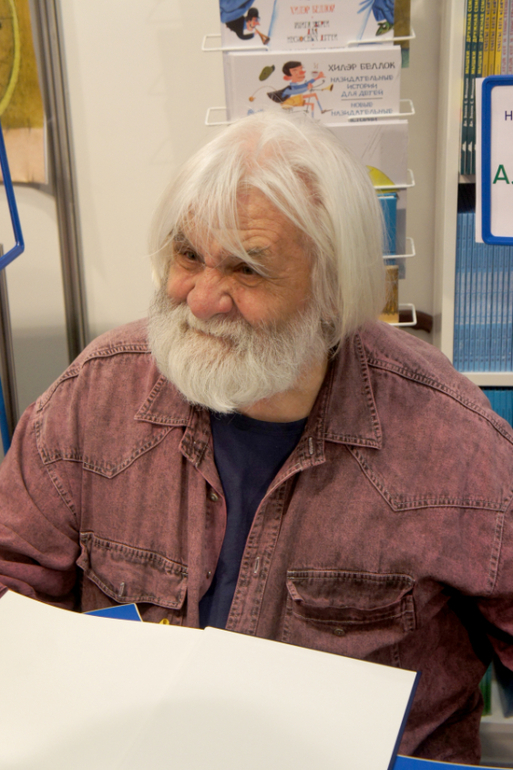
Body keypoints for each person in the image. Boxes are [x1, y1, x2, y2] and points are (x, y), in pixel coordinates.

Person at [0, 111, 513, 765]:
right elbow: (11, 584)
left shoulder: (452, 443)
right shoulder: (97, 397)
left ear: (333, 291)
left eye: (247, 270)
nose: (202, 298)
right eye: (188, 255)